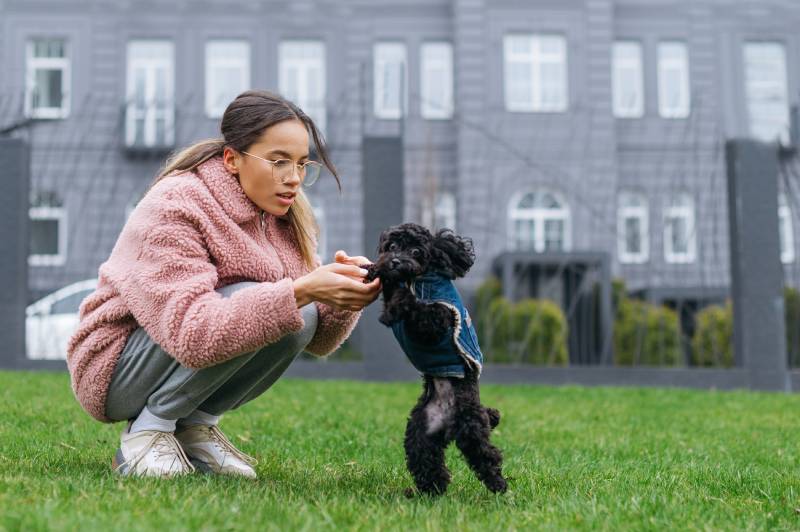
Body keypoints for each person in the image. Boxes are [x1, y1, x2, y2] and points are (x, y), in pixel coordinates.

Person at [66, 90, 381, 478]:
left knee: (297, 311)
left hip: (175, 356)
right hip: (114, 368)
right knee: (275, 299)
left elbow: (316, 338)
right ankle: (148, 430)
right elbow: (193, 333)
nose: (294, 178)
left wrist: (346, 291)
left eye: (302, 164)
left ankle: (194, 426)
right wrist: (301, 290)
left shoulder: (284, 214)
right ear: (232, 159)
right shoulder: (178, 203)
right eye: (279, 162)